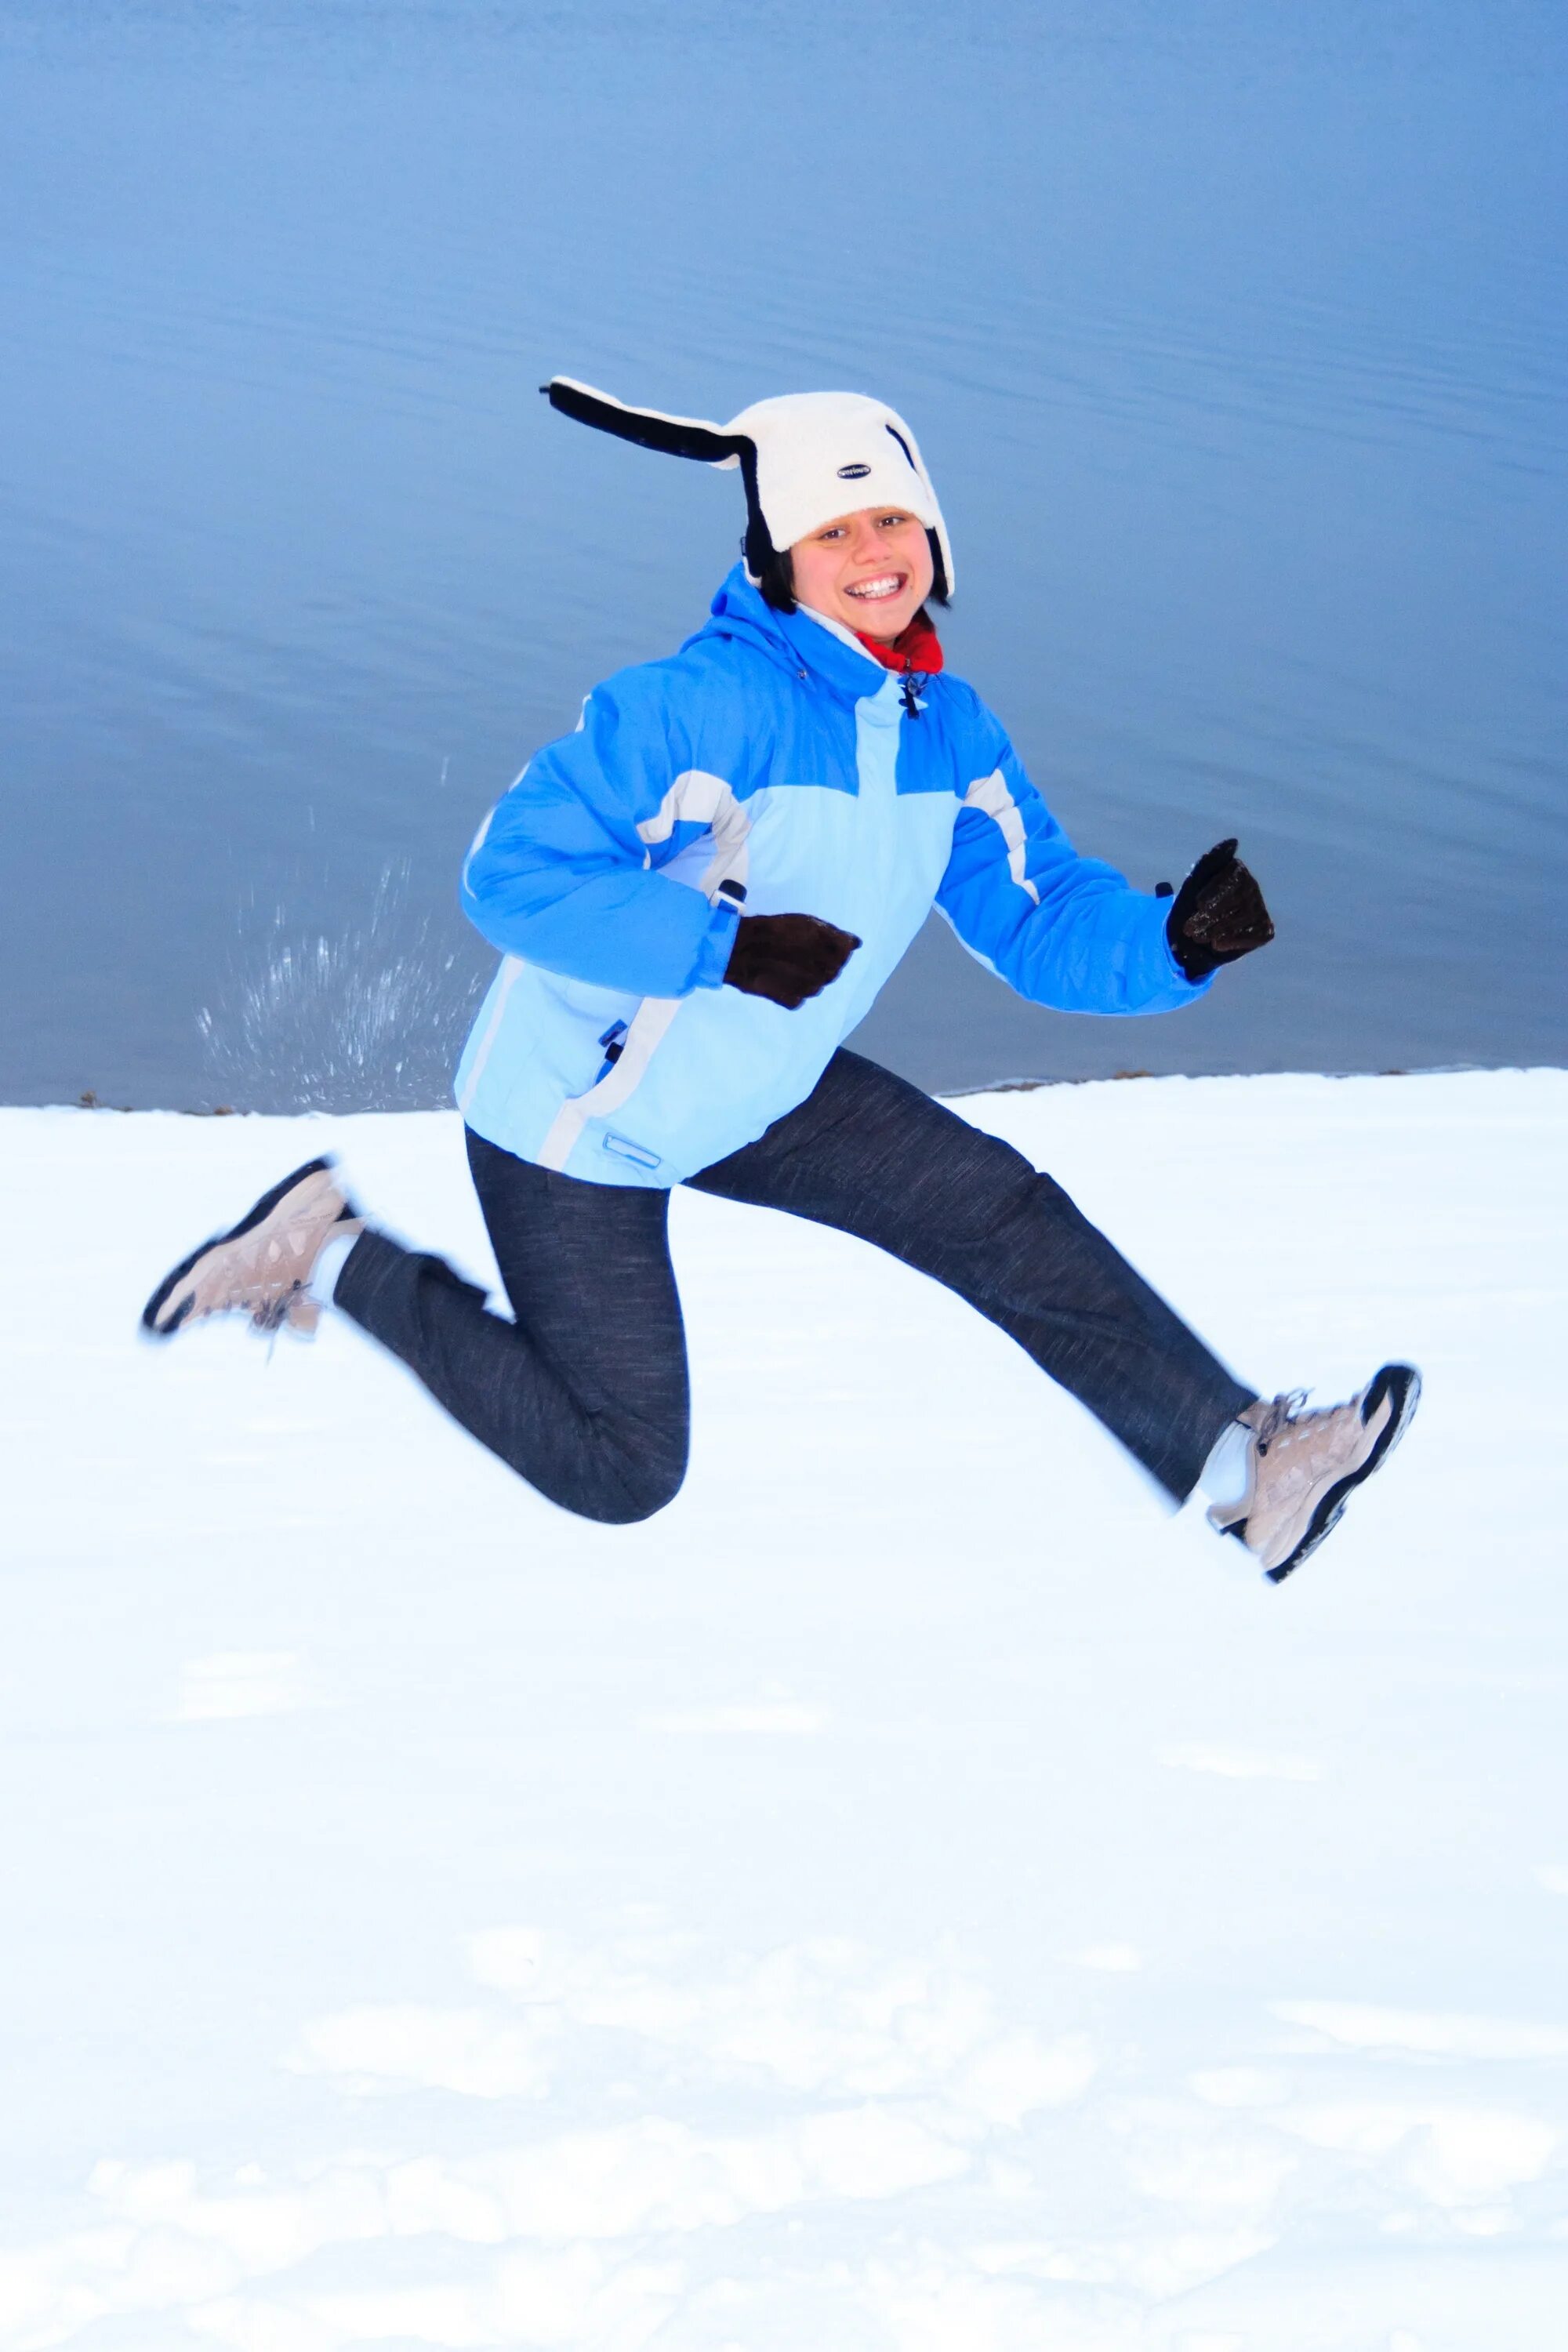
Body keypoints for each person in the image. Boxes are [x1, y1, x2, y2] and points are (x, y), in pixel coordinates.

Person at [143, 377, 1419, 1582]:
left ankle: (1252, 1474)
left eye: (895, 519)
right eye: (834, 529)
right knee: (625, 1466)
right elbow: (510, 875)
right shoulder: (708, 705)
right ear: (776, 555)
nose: (875, 552)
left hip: (761, 1080)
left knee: (999, 1214)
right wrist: (725, 951)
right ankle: (331, 1253)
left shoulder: (947, 730)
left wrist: (1171, 944)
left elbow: (1038, 919)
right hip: (580, 1118)